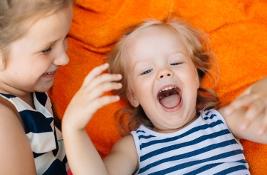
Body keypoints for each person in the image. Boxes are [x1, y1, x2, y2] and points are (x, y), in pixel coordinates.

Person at [62, 19, 267, 175]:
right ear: (133, 96)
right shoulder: (134, 148)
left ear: (196, 76)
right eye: (146, 71)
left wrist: (261, 91)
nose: (164, 72)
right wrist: (73, 129)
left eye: (176, 62)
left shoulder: (224, 121)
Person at [0, 0, 72, 174]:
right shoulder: (3, 121)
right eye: (47, 49)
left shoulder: (31, 90)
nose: (64, 59)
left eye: (66, 38)